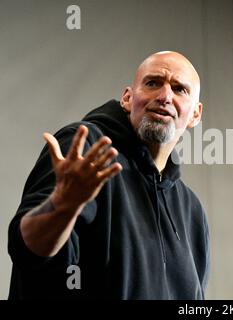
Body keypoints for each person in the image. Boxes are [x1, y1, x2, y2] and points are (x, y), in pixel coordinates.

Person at [7, 51, 210, 299]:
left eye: (179, 89)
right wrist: (62, 205)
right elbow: (27, 250)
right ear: (127, 98)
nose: (165, 96)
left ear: (195, 114)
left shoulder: (192, 213)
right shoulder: (87, 150)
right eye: (153, 83)